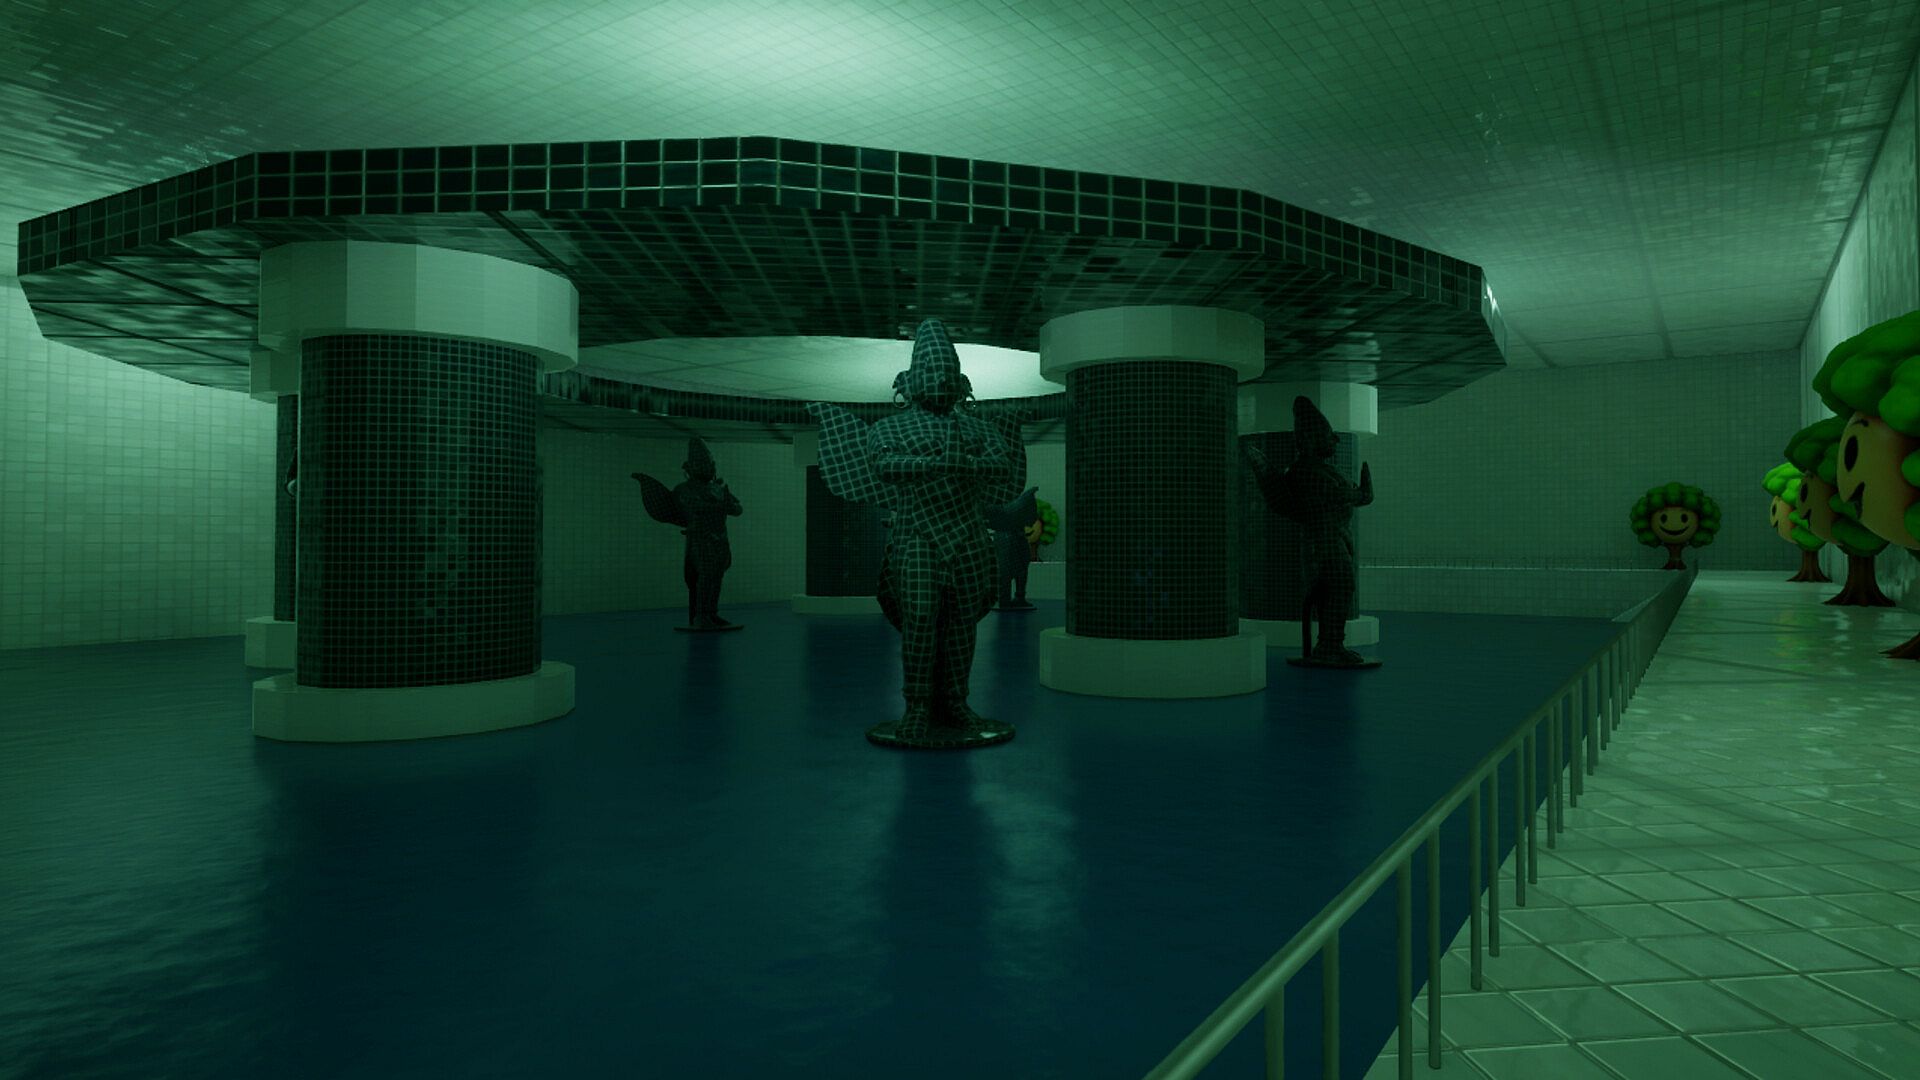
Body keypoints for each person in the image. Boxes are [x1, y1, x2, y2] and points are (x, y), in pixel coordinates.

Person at [807, 319, 1029, 745]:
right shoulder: (889, 428)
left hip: (968, 536)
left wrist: (965, 464)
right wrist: (937, 464)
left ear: (961, 381)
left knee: (963, 622)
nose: (940, 378)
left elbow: (1001, 465)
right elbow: (882, 464)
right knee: (921, 619)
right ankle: (918, 706)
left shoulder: (979, 428)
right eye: (930, 370)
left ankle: (956, 701)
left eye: (948, 371)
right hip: (916, 535)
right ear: (908, 380)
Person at [1245, 396, 1375, 666]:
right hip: (1323, 543)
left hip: (1335, 540)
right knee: (1339, 586)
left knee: (1340, 587)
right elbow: (1337, 495)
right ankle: (1329, 646)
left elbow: (1351, 495)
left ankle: (1332, 644)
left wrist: (1360, 494)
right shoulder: (1303, 472)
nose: (1335, 440)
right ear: (1312, 439)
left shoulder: (1321, 469)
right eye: (1328, 435)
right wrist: (1359, 493)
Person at [632, 438, 744, 631]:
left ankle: (712, 613)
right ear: (690, 467)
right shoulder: (683, 489)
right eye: (701, 464)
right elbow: (694, 507)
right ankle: (701, 616)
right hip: (700, 539)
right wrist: (721, 506)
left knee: (717, 577)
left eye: (709, 464)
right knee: (705, 576)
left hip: (720, 539)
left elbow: (737, 509)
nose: (707, 467)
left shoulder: (718, 488)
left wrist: (727, 505)